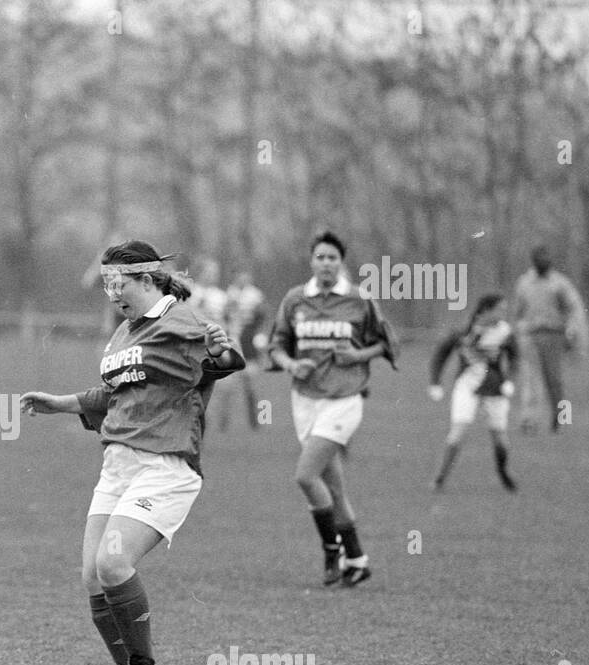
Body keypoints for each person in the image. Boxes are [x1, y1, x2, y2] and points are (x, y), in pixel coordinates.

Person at [21, 240, 245, 665]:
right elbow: (115, 396)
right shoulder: (124, 333)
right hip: (118, 465)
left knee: (113, 563)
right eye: (105, 285)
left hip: (164, 464)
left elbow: (223, 358)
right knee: (92, 577)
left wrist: (222, 355)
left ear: (147, 279)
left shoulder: (180, 318)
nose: (111, 293)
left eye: (117, 283)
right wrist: (61, 403)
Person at [267, 231, 397, 587]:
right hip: (305, 400)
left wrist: (357, 355)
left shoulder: (358, 299)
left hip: (344, 398)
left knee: (306, 476)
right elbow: (277, 346)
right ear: (311, 261)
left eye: (333, 258)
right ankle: (357, 560)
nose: (326, 263)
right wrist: (292, 365)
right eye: (320, 257)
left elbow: (386, 343)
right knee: (334, 489)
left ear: (341, 263)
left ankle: (331, 550)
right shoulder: (295, 299)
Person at [428, 293, 518, 492]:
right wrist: (435, 382)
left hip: (495, 389)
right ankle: (440, 478)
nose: (504, 312)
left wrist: (510, 380)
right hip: (467, 386)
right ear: (487, 310)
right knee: (458, 433)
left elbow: (515, 358)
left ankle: (503, 473)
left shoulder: (505, 332)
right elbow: (441, 353)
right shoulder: (465, 330)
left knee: (500, 438)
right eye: (500, 308)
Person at [511, 245, 589, 434]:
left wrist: (573, 331)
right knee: (531, 379)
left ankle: (562, 419)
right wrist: (517, 329)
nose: (543, 261)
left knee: (555, 381)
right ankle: (529, 422)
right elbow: (517, 311)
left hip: (554, 336)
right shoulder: (525, 283)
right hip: (530, 336)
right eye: (539, 258)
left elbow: (574, 308)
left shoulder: (559, 283)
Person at [212, 269, 267, 431]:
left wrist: (261, 338)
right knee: (226, 387)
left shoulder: (256, 295)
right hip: (232, 343)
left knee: (252, 386)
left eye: (247, 275)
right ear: (236, 276)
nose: (244, 278)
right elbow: (224, 317)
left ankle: (260, 420)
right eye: (241, 275)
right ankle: (223, 424)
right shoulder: (229, 294)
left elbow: (262, 317)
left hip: (249, 344)